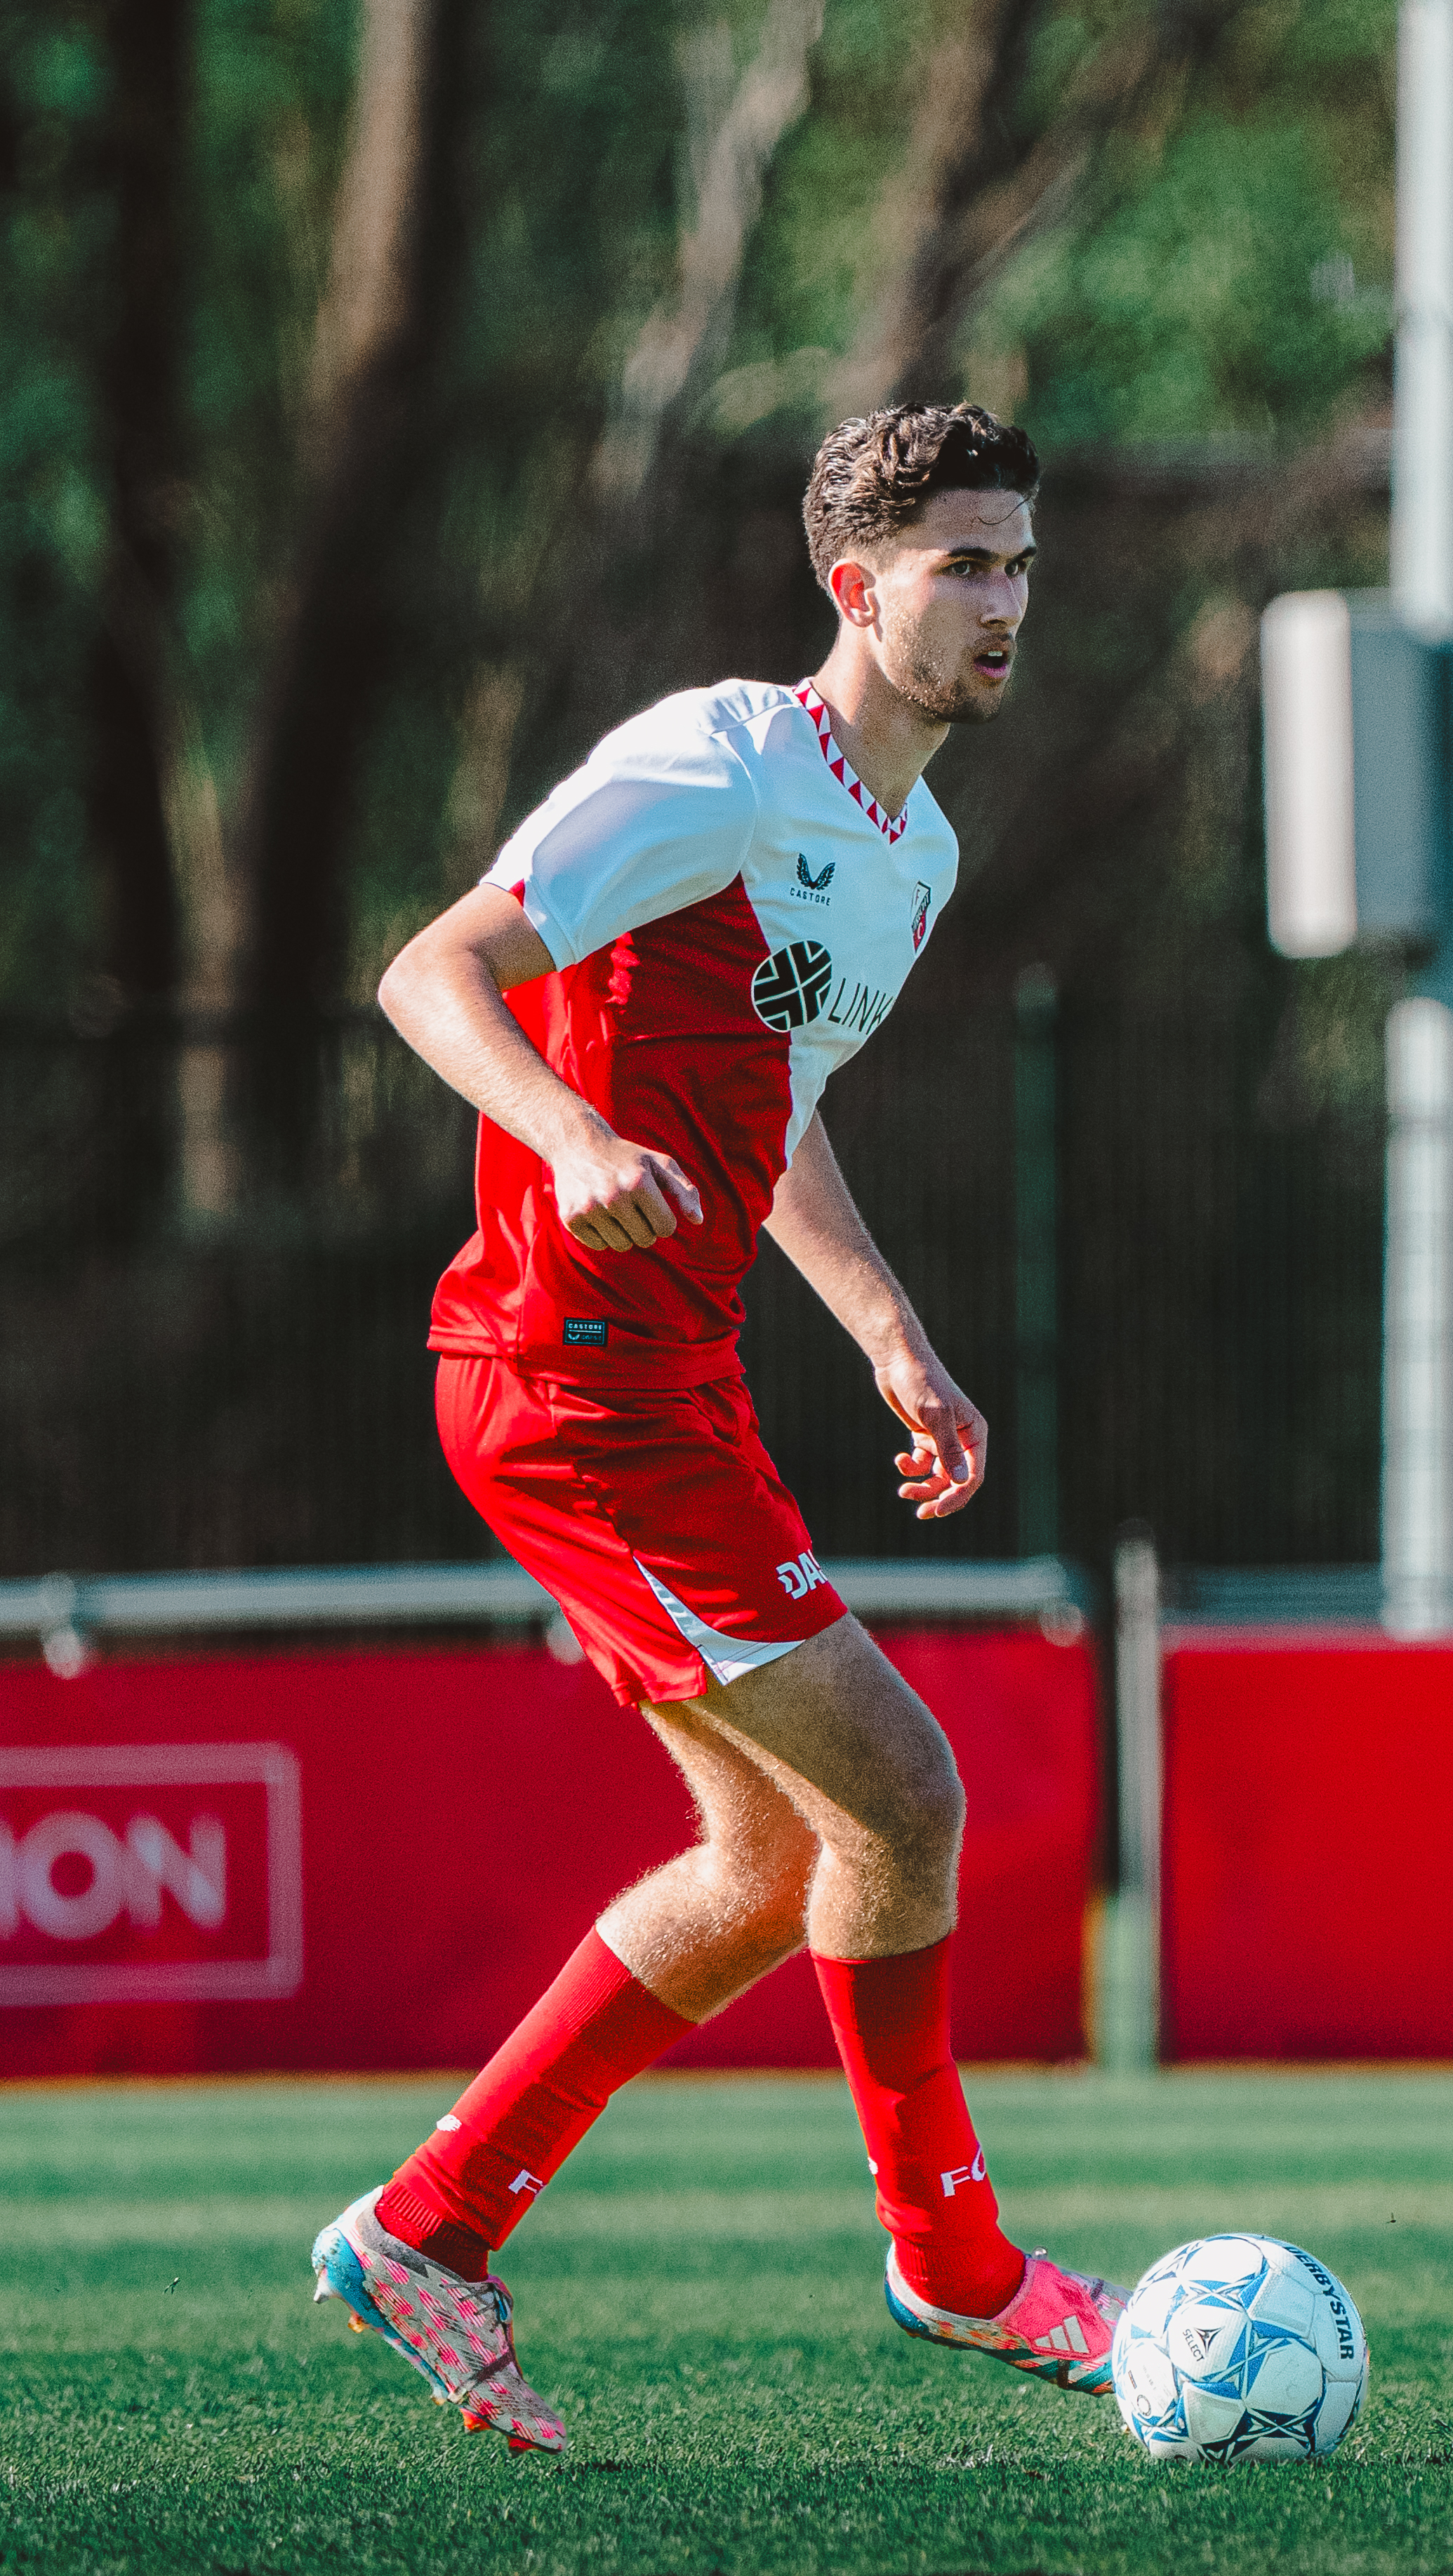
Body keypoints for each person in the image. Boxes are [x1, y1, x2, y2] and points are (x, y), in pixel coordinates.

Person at [307, 403, 1117, 2455]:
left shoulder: (914, 852)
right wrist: (569, 1135)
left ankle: (428, 2230)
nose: (1005, 604)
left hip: (672, 1385)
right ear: (858, 586)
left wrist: (888, 1330)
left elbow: (774, 1100)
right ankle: (952, 2263)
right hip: (570, 1386)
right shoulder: (718, 762)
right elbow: (432, 969)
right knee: (907, 1797)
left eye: (1020, 564)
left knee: (770, 1858)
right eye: (964, 565)